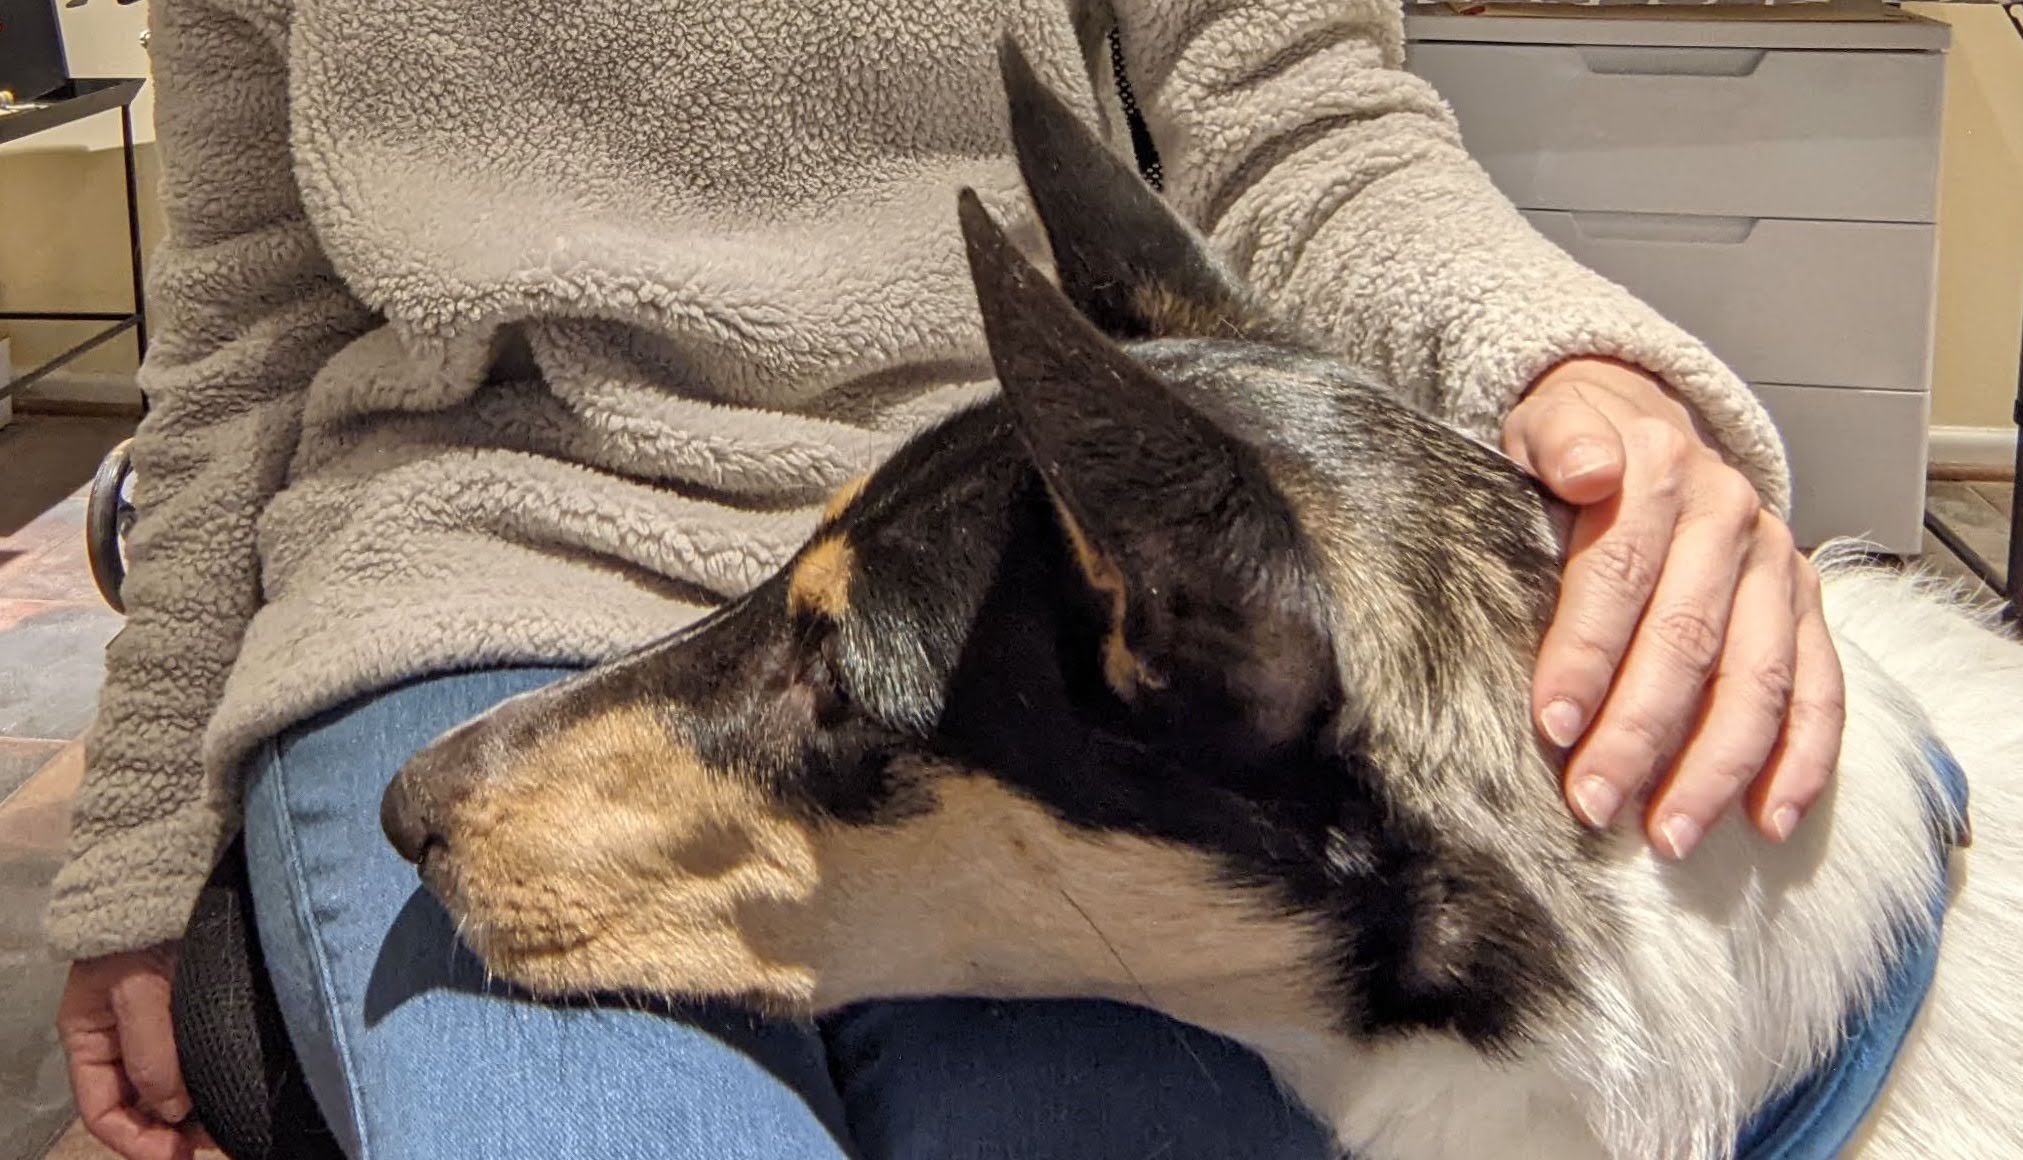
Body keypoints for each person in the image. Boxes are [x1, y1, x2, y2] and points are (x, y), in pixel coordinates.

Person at [50, 2, 1844, 1158]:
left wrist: (1570, 373)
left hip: (998, 568)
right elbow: (249, 323)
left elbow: (1296, 116)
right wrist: (135, 849)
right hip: (467, 555)